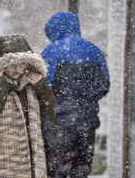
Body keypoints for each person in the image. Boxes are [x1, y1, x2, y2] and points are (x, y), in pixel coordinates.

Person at [0, 34, 56, 178]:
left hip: (29, 164)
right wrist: (0, 87)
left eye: (22, 63)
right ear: (1, 65)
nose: (17, 69)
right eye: (12, 64)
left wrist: (41, 87)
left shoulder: (32, 85)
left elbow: (51, 112)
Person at [42, 11, 110, 178]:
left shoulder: (50, 52)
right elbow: (103, 85)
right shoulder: (94, 51)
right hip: (87, 123)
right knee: (81, 169)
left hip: (57, 124)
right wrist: (84, 101)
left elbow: (43, 87)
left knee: (57, 169)